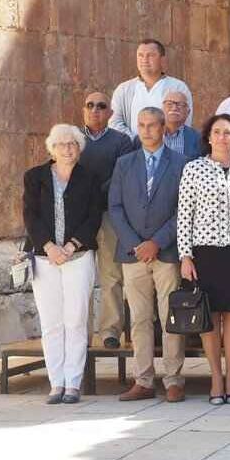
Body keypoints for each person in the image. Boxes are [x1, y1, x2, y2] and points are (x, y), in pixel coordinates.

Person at [177, 114, 230, 405]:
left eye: (228, 133)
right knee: (210, 316)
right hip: (206, 252)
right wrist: (185, 255)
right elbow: (184, 215)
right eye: (217, 132)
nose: (222, 137)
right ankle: (215, 377)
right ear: (209, 137)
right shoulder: (194, 169)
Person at [109, 108, 188, 403]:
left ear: (163, 128)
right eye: (141, 125)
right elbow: (115, 208)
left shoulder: (181, 163)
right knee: (140, 319)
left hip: (166, 252)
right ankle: (143, 380)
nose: (146, 130)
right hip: (133, 255)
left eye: (152, 125)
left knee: (170, 317)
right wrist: (136, 243)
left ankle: (173, 379)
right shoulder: (124, 164)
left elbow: (184, 209)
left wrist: (156, 241)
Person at [23, 124, 103, 404]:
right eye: (62, 144)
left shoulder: (90, 178)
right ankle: (56, 383)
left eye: (73, 144)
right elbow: (30, 216)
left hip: (78, 257)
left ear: (79, 149)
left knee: (76, 320)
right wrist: (48, 246)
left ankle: (73, 383)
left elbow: (94, 217)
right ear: (51, 149)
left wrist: (70, 246)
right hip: (45, 258)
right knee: (52, 322)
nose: (68, 149)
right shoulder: (35, 177)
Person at [77, 91, 134, 348]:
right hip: (78, 217)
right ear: (83, 110)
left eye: (101, 106)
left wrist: (94, 195)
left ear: (110, 113)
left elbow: (121, 175)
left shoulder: (121, 141)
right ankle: (81, 332)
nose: (95, 110)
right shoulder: (72, 139)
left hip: (110, 214)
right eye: (90, 105)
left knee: (111, 274)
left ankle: (110, 330)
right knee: (81, 275)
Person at [109, 39, 193, 137]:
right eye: (140, 55)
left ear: (162, 60)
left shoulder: (178, 87)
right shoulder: (124, 89)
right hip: (132, 148)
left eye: (150, 55)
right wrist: (136, 142)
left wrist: (158, 143)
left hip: (168, 148)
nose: (144, 59)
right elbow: (114, 123)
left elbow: (184, 122)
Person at [160, 90, 202, 159]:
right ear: (161, 110)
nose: (174, 108)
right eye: (169, 104)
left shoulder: (198, 139)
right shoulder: (146, 136)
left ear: (188, 112)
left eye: (180, 105)